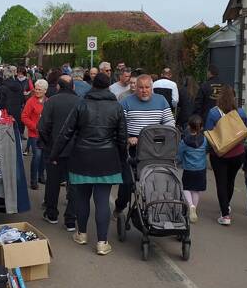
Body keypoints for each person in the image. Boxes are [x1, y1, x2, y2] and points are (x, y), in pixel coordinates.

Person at [51, 73, 127, 256]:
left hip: (82, 157)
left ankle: (82, 234)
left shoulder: (81, 104)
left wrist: (55, 154)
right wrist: (122, 159)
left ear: (93, 84)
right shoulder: (116, 107)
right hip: (107, 158)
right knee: (102, 201)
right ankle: (102, 242)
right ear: (108, 86)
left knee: (82, 199)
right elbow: (122, 137)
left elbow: (66, 132)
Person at [114, 74, 175, 215]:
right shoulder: (126, 102)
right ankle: (119, 207)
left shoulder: (161, 101)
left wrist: (162, 136)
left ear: (152, 88)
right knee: (127, 182)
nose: (144, 90)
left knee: (159, 179)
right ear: (135, 88)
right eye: (141, 87)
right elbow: (119, 126)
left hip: (156, 149)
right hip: (134, 150)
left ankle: (158, 209)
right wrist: (128, 137)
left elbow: (169, 123)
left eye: (147, 87)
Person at [39, 75, 79, 231]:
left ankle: (52, 213)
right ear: (73, 87)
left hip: (54, 148)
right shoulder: (80, 102)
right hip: (75, 149)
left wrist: (47, 143)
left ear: (57, 87)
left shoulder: (51, 102)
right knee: (74, 184)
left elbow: (43, 126)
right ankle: (70, 219)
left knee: (53, 182)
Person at [205, 85, 247, 226]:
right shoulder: (240, 112)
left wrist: (206, 151)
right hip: (238, 152)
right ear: (234, 98)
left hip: (220, 153)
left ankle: (225, 214)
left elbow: (209, 133)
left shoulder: (213, 113)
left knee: (221, 182)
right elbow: (244, 132)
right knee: (231, 181)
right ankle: (226, 205)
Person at [177, 115, 208, 224]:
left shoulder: (184, 141)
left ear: (189, 127)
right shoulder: (204, 140)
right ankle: (194, 207)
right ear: (202, 127)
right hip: (201, 169)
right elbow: (207, 151)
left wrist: (177, 161)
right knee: (196, 190)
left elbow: (179, 155)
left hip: (189, 169)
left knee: (186, 188)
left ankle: (190, 206)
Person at [21, 79, 49, 189]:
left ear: (45, 90)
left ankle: (41, 176)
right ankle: (33, 180)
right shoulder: (31, 101)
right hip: (35, 134)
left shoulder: (49, 101)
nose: (36, 91)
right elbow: (24, 116)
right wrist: (34, 126)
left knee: (44, 157)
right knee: (37, 156)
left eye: (39, 90)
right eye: (36, 89)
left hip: (46, 134)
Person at [0, 66, 26, 133]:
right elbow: (22, 100)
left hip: (6, 114)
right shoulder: (19, 85)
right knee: (16, 134)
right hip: (17, 112)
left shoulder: (2, 88)